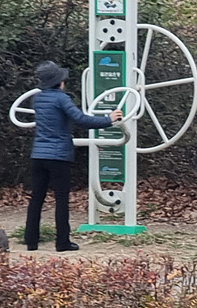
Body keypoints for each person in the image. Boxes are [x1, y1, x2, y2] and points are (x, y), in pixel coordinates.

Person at [25, 61, 123, 252]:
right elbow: (81, 119)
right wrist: (109, 120)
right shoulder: (62, 99)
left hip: (38, 155)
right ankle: (62, 242)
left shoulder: (37, 99)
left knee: (36, 198)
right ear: (60, 82)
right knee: (61, 199)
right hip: (59, 155)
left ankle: (31, 241)